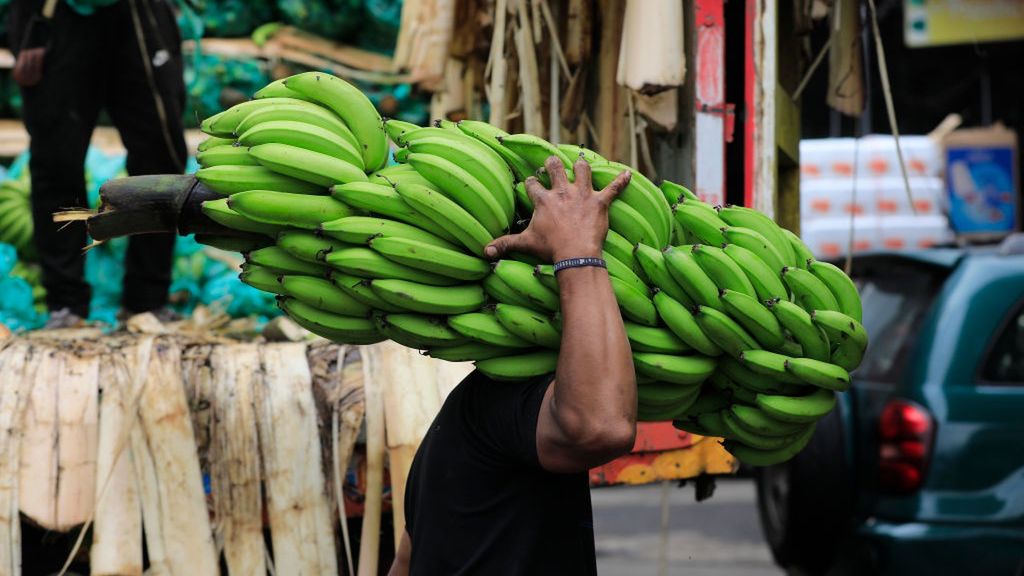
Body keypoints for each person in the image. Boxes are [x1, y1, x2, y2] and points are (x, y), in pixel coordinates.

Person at [390, 156, 636, 575]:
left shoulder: (451, 425)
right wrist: (577, 250)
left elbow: (404, 563)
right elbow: (601, 427)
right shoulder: (491, 406)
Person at [9, 0, 187, 329]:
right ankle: (65, 303)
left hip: (136, 13)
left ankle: (147, 299)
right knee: (56, 160)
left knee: (160, 158)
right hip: (54, 13)